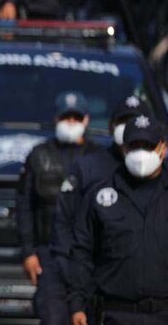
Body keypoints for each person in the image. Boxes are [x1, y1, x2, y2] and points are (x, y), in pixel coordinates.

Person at [50, 96, 153, 312]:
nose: (129, 128)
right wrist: (72, 276)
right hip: (91, 280)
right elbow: (66, 223)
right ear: (111, 126)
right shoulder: (90, 166)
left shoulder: (156, 173)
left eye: (135, 121)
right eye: (123, 121)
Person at [69, 114, 168, 325]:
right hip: (116, 313)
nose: (141, 153)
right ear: (123, 149)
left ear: (163, 148)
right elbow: (81, 252)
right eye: (135, 146)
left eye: (148, 146)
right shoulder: (100, 196)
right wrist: (77, 304)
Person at [15, 91, 104, 325]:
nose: (71, 123)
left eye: (76, 118)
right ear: (56, 119)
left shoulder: (100, 157)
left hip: (90, 255)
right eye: (66, 117)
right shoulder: (39, 155)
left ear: (86, 120)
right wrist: (28, 252)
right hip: (50, 253)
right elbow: (25, 206)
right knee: (53, 316)